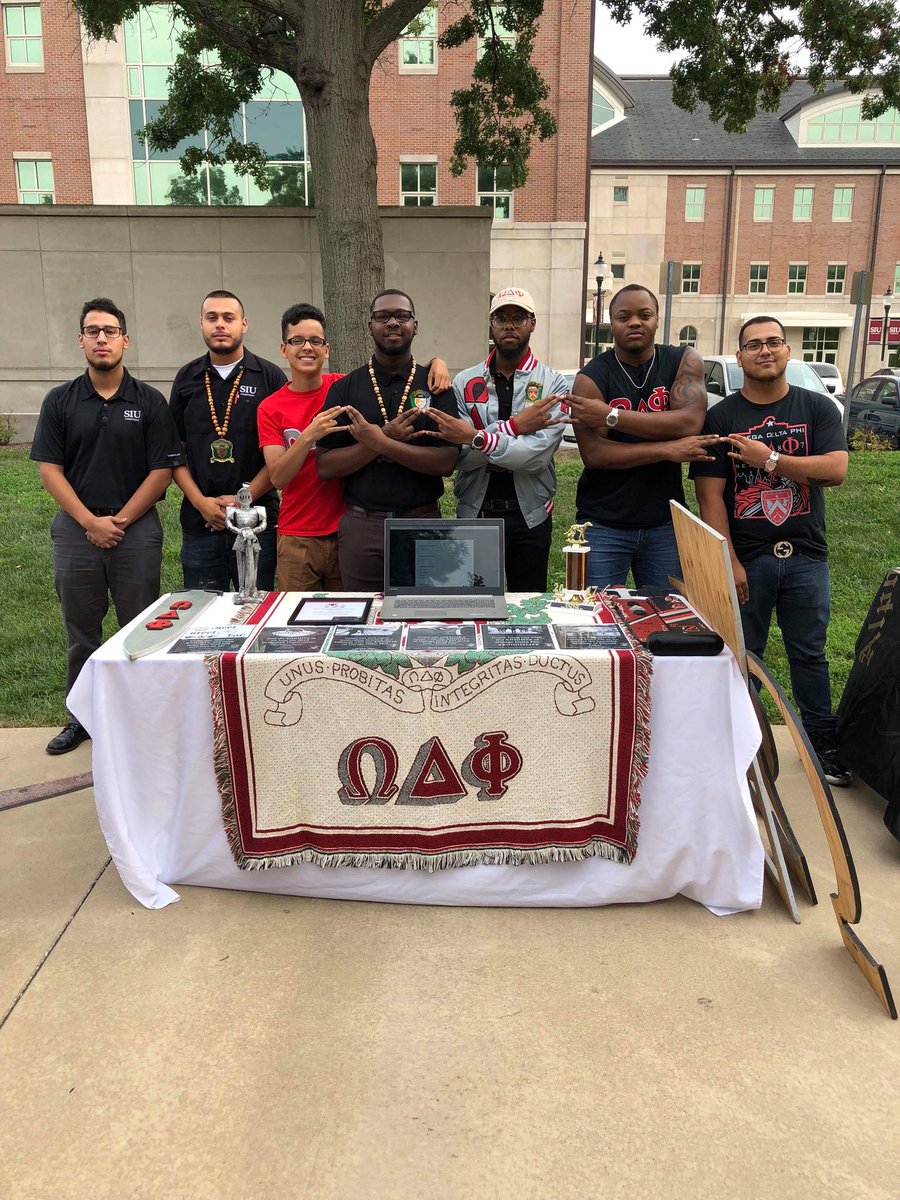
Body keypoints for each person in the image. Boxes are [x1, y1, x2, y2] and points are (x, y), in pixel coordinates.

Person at [691, 316, 851, 786]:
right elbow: (710, 496)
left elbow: (835, 469)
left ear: (787, 351)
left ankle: (821, 741)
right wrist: (729, 561)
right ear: (739, 357)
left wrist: (772, 460)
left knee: (810, 653)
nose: (765, 351)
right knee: (745, 655)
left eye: (774, 342)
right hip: (749, 557)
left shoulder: (818, 409)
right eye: (753, 345)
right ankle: (742, 745)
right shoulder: (722, 418)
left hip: (805, 555)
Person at [30, 298, 183, 755]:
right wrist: (89, 522)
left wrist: (119, 521)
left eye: (110, 331)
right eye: (93, 331)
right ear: (81, 340)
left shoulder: (150, 401)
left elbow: (162, 470)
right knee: (82, 631)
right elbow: (49, 470)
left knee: (140, 630)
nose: (102, 338)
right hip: (77, 531)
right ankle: (82, 717)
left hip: (134, 530)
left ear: (125, 340)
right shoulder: (60, 401)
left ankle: (140, 717)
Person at [258, 303, 452, 591]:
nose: (306, 348)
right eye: (297, 341)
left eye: (315, 341)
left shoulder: (341, 385)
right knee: (310, 625)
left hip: (342, 526)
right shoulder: (273, 406)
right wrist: (311, 434)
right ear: (284, 348)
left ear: (327, 349)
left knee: (413, 615)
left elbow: (447, 461)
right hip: (302, 530)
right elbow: (282, 477)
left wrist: (437, 361)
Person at [568, 284, 717, 590]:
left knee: (666, 624)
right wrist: (667, 448)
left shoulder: (683, 360)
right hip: (603, 522)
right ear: (612, 325)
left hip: (665, 520)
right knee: (598, 624)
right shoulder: (591, 377)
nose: (635, 322)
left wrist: (613, 416)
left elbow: (689, 422)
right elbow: (595, 455)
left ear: (657, 319)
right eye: (624, 316)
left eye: (644, 314)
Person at [424, 287, 567, 592]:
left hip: (530, 516)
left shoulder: (552, 382)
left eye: (519, 317)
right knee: (474, 606)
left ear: (532, 323)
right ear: (491, 325)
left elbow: (536, 457)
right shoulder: (465, 381)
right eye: (501, 317)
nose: (509, 325)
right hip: (476, 512)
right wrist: (516, 427)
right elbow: (459, 456)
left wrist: (477, 439)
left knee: (527, 608)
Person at [316, 290, 459, 591]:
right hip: (363, 526)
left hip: (422, 522)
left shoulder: (436, 386)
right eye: (382, 317)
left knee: (429, 621)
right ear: (370, 327)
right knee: (365, 625)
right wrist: (380, 441)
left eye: (402, 316)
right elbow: (326, 466)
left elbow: (446, 463)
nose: (392, 323)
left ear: (415, 326)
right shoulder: (345, 389)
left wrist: (379, 442)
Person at [169, 290, 286, 592]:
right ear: (202, 324)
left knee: (257, 610)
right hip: (200, 522)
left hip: (257, 520)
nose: (220, 324)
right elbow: (174, 453)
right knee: (204, 617)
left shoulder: (269, 377)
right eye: (212, 318)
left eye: (228, 318)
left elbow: (280, 457)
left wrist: (238, 503)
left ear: (244, 324)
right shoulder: (187, 378)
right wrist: (201, 503)